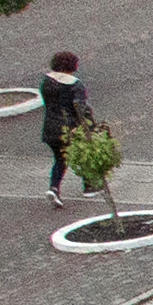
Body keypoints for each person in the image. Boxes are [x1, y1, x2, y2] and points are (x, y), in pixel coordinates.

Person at [37, 51, 94, 207]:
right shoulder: (75, 85)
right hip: (70, 127)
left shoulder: (47, 81)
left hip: (50, 128)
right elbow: (80, 109)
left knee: (60, 158)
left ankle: (54, 188)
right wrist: (89, 125)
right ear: (73, 65)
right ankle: (89, 186)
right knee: (83, 152)